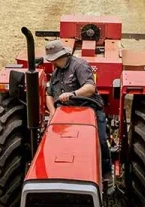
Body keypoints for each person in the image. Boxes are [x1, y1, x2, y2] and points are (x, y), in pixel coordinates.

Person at [43, 39, 113, 186]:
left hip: (88, 110)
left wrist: (73, 93)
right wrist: (53, 112)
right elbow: (49, 94)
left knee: (100, 139)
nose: (52, 63)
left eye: (53, 59)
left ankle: (106, 172)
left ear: (61, 56)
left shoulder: (79, 65)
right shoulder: (56, 73)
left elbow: (90, 88)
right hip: (64, 114)